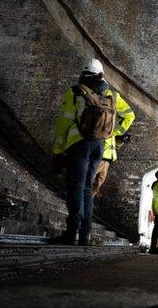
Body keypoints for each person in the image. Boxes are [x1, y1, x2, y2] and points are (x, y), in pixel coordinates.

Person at [48, 58, 130, 246]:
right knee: (87, 188)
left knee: (76, 187)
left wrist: (58, 149)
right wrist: (113, 133)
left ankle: (71, 234)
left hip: (79, 145)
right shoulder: (111, 95)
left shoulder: (75, 92)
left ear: (84, 72)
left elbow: (64, 122)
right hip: (99, 146)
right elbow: (129, 115)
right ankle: (85, 235)